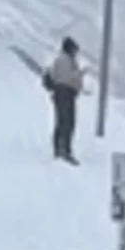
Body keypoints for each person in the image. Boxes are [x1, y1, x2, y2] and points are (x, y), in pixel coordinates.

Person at [42, 37, 85, 165]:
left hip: (61, 93)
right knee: (67, 121)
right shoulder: (66, 61)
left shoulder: (61, 60)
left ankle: (59, 148)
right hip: (65, 93)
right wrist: (79, 75)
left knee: (62, 120)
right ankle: (64, 150)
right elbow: (69, 78)